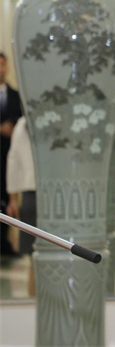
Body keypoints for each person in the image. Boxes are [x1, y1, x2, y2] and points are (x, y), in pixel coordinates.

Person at [6, 116, 37, 294]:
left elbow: (13, 161)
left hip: (30, 192)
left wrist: (13, 198)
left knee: (35, 256)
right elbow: (14, 160)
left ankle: (34, 300)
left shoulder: (22, 124)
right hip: (38, 193)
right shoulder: (23, 124)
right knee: (38, 255)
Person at [0, 52, 22, 257]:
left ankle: (4, 242)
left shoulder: (15, 95)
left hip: (9, 155)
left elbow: (21, 119)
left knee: (8, 199)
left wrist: (12, 127)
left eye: (2, 65)